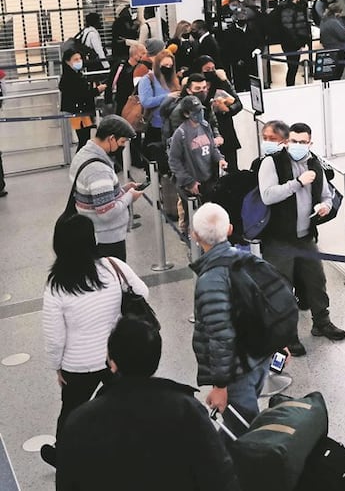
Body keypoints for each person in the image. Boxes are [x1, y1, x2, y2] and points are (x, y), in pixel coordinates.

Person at [56, 317, 239, 490]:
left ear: (112, 363)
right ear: (155, 359)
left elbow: (67, 484)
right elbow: (220, 477)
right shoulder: (187, 410)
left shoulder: (81, 421)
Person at [40, 214, 149, 467]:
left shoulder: (56, 285)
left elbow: (55, 337)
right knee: (125, 402)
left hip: (78, 363)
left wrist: (57, 366)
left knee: (71, 410)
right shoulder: (112, 266)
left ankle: (64, 454)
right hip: (116, 356)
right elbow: (142, 292)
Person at [259, 122, 345, 352]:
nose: (298, 146)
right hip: (278, 238)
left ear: (310, 143)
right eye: (294, 141)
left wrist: (325, 206)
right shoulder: (272, 163)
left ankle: (322, 321)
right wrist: (297, 183)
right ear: (286, 141)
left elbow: (328, 195)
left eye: (303, 142)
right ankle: (286, 336)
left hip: (306, 235)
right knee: (281, 288)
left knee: (316, 280)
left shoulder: (315, 163)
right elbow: (267, 195)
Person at [189, 203, 273, 435]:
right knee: (240, 426)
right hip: (260, 359)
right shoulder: (251, 262)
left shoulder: (210, 280)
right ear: (229, 229)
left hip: (238, 369)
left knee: (241, 433)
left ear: (195, 236)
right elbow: (270, 305)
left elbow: (221, 336)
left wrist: (220, 386)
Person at [69, 115, 141, 259]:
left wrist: (122, 190)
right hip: (107, 239)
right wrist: (129, 196)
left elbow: (97, 194)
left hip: (93, 232)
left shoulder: (83, 154)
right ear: (111, 138)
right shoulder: (98, 170)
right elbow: (106, 212)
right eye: (122, 142)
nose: (123, 146)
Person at [168, 95, 228, 205]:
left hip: (209, 178)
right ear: (186, 114)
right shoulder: (180, 133)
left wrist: (220, 159)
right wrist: (189, 182)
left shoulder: (205, 125)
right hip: (193, 182)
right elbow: (174, 160)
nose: (199, 113)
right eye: (195, 112)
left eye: (200, 110)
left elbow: (212, 147)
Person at [195, 56, 243, 170]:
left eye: (213, 68)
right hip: (205, 132)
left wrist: (227, 110)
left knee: (231, 168)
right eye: (207, 69)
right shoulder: (196, 86)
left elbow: (238, 104)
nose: (211, 72)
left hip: (226, 131)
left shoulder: (222, 83)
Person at [59, 47, 106, 150]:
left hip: (82, 110)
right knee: (83, 141)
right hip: (78, 112)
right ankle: (80, 162)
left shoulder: (76, 74)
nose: (79, 61)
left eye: (80, 59)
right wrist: (97, 90)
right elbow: (81, 94)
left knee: (85, 139)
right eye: (75, 59)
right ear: (67, 62)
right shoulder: (69, 78)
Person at [137, 51, 181, 153]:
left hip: (173, 125)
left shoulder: (173, 79)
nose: (168, 67)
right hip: (155, 126)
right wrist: (167, 96)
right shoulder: (147, 79)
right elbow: (146, 101)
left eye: (170, 65)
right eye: (165, 65)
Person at [278, 0, 312, 86]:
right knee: (293, 66)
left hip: (291, 42)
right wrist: (298, 42)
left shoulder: (290, 7)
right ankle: (290, 85)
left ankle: (290, 84)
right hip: (291, 43)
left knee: (293, 66)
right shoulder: (289, 9)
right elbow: (290, 28)